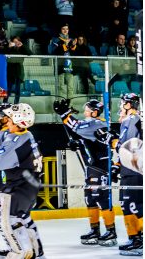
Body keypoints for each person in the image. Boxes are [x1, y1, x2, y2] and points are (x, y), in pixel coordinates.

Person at [0, 103, 45, 259]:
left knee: (9, 222)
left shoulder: (17, 140)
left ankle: (22, 253)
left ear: (18, 122)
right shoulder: (25, 135)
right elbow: (4, 143)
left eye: (10, 119)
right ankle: (38, 254)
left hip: (19, 186)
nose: (7, 122)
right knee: (23, 217)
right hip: (28, 185)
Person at [53, 98, 118, 246]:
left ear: (95, 112)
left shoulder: (97, 123)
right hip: (92, 167)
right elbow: (85, 138)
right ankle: (94, 230)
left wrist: (65, 113)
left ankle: (111, 231)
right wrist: (79, 144)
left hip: (100, 168)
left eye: (87, 110)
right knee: (90, 199)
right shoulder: (93, 124)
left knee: (101, 199)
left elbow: (75, 126)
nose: (84, 112)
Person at [95, 93, 143, 256]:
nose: (121, 106)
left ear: (129, 105)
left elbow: (128, 146)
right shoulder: (129, 121)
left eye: (123, 103)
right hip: (128, 169)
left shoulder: (132, 120)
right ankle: (134, 238)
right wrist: (116, 166)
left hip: (134, 169)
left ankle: (141, 240)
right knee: (126, 204)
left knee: (135, 205)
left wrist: (111, 140)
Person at [49, 24, 78, 99]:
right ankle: (61, 104)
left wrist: (74, 46)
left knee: (70, 87)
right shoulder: (56, 40)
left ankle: (70, 105)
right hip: (60, 65)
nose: (65, 31)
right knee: (60, 86)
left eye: (67, 29)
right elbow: (53, 52)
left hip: (70, 66)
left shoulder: (71, 40)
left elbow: (75, 53)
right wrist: (64, 45)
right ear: (60, 30)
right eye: (63, 29)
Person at [4, 36, 31, 104]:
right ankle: (4, 103)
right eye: (14, 42)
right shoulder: (9, 48)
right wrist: (9, 47)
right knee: (8, 89)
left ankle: (16, 103)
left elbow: (30, 53)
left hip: (18, 71)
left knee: (17, 89)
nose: (15, 43)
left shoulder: (21, 48)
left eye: (17, 42)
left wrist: (22, 46)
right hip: (9, 71)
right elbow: (4, 53)